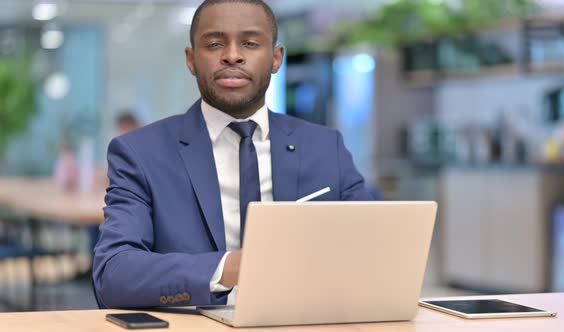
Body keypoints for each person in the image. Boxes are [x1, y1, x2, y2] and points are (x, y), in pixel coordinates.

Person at [93, 0, 372, 309]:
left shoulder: (325, 147)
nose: (232, 55)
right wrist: (229, 269)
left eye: (250, 43)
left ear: (276, 58)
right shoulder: (140, 153)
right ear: (191, 60)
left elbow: (376, 250)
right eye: (214, 44)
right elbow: (113, 274)